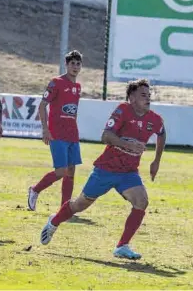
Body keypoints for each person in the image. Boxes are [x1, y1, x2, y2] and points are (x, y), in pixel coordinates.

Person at [39, 79, 166, 260]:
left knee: (142, 201)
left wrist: (156, 161)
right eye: (143, 95)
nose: (148, 99)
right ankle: (54, 222)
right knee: (79, 205)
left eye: (149, 95)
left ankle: (122, 246)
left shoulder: (155, 119)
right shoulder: (123, 110)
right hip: (106, 169)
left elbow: (162, 133)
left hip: (128, 172)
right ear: (131, 98)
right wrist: (126, 145)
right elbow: (105, 136)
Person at [27, 50, 83, 211]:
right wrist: (45, 130)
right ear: (66, 65)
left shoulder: (77, 87)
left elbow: (74, 110)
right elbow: (43, 105)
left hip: (72, 133)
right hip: (57, 133)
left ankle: (65, 208)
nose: (75, 66)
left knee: (71, 171)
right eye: (72, 63)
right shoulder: (56, 82)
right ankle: (35, 190)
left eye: (78, 64)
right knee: (61, 171)